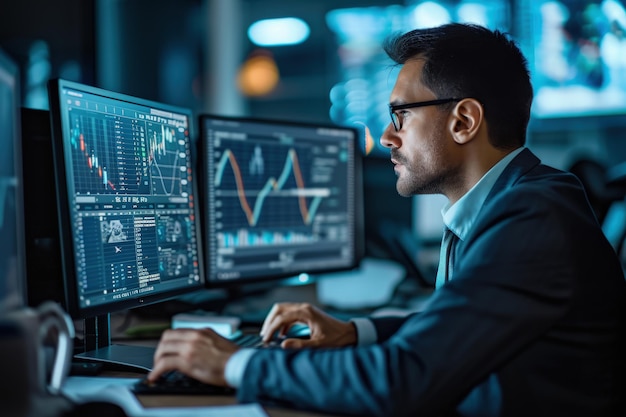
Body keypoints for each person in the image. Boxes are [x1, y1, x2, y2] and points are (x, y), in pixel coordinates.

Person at [148, 23, 626, 416]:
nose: (385, 137)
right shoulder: (511, 200)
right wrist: (356, 332)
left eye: (400, 115)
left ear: (464, 121)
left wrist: (236, 365)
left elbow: (405, 378)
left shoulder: (533, 216)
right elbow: (459, 327)